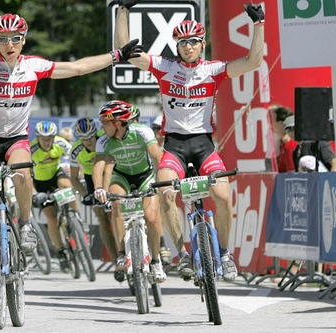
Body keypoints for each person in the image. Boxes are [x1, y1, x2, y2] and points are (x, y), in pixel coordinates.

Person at [0, 3, 142, 276]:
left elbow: (77, 68)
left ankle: (24, 223)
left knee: (23, 174)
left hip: (16, 139)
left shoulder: (34, 66)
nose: (8, 44)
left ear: (23, 40)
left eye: (14, 39)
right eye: (2, 39)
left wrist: (115, 55)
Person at [115, 0, 265, 282]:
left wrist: (259, 24)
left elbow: (254, 61)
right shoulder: (164, 66)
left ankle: (223, 253)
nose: (188, 47)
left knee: (222, 194)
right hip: (174, 145)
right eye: (182, 42)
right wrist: (123, 10)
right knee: (167, 193)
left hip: (203, 145)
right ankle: (181, 254)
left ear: (202, 44)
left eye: (193, 42)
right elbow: (124, 52)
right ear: (176, 46)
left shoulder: (213, 69)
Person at [92, 100, 166, 284]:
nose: (101, 125)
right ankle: (121, 253)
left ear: (118, 123)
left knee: (151, 218)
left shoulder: (142, 132)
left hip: (145, 176)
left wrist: (162, 182)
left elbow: (157, 156)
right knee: (117, 203)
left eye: (105, 122)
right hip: (121, 176)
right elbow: (98, 166)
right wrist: (99, 188)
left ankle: (156, 261)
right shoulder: (103, 141)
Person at [31, 121, 81, 273]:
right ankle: (60, 253)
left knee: (67, 185)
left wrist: (80, 174)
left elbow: (77, 158)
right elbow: (26, 176)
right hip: (40, 183)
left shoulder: (61, 143)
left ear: (54, 137)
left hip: (56, 175)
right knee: (51, 218)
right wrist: (34, 194)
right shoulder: (32, 150)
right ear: (38, 138)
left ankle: (75, 216)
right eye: (43, 138)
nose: (46, 141)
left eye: (49, 138)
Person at [69, 117, 118, 263]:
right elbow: (74, 178)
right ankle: (115, 260)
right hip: (91, 178)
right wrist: (86, 195)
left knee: (118, 210)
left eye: (90, 137)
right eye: (84, 139)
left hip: (111, 172)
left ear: (96, 133)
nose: (89, 141)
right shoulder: (76, 151)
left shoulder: (104, 141)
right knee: (102, 218)